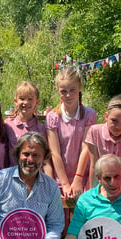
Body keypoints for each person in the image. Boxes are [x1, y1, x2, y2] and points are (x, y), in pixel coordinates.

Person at [46, 67, 97, 200]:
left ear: (79, 87)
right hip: (60, 179)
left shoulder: (89, 115)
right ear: (58, 91)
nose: (68, 95)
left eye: (72, 90)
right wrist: (64, 183)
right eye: (64, 91)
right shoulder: (53, 117)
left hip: (82, 178)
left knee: (80, 217)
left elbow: (86, 148)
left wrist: (78, 179)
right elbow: (55, 152)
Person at [79, 94, 121, 189]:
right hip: (99, 183)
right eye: (114, 120)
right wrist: (95, 192)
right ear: (106, 116)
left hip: (120, 185)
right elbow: (94, 166)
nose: (118, 126)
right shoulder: (95, 131)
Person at [4, 81, 46, 163]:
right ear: (16, 101)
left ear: (37, 102)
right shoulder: (7, 125)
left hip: (34, 173)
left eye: (30, 99)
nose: (26, 102)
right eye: (22, 99)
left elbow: (45, 159)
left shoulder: (41, 128)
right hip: (12, 172)